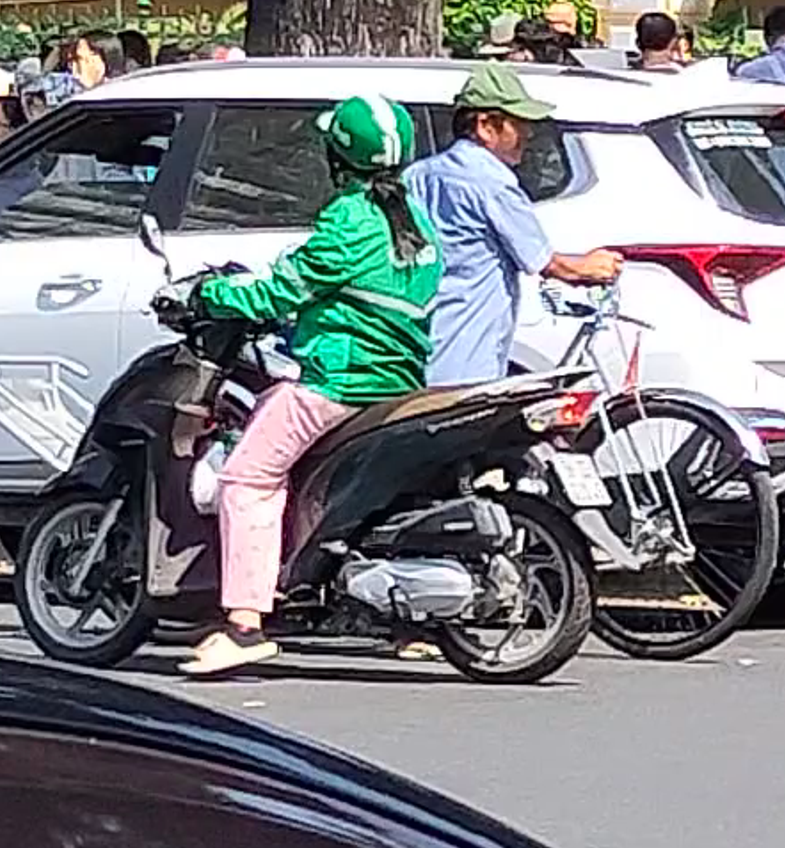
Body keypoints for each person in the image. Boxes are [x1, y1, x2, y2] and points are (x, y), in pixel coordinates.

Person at [184, 92, 437, 666]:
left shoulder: (348, 219)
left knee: (248, 478)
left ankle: (245, 624)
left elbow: (282, 290)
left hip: (338, 383)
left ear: (336, 155)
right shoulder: (414, 218)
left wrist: (210, 295)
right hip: (399, 382)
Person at [420, 76, 620, 389]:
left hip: (419, 343)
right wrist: (593, 265)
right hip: (467, 352)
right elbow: (547, 264)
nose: (528, 134)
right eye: (518, 124)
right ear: (486, 126)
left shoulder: (418, 174)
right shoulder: (492, 183)